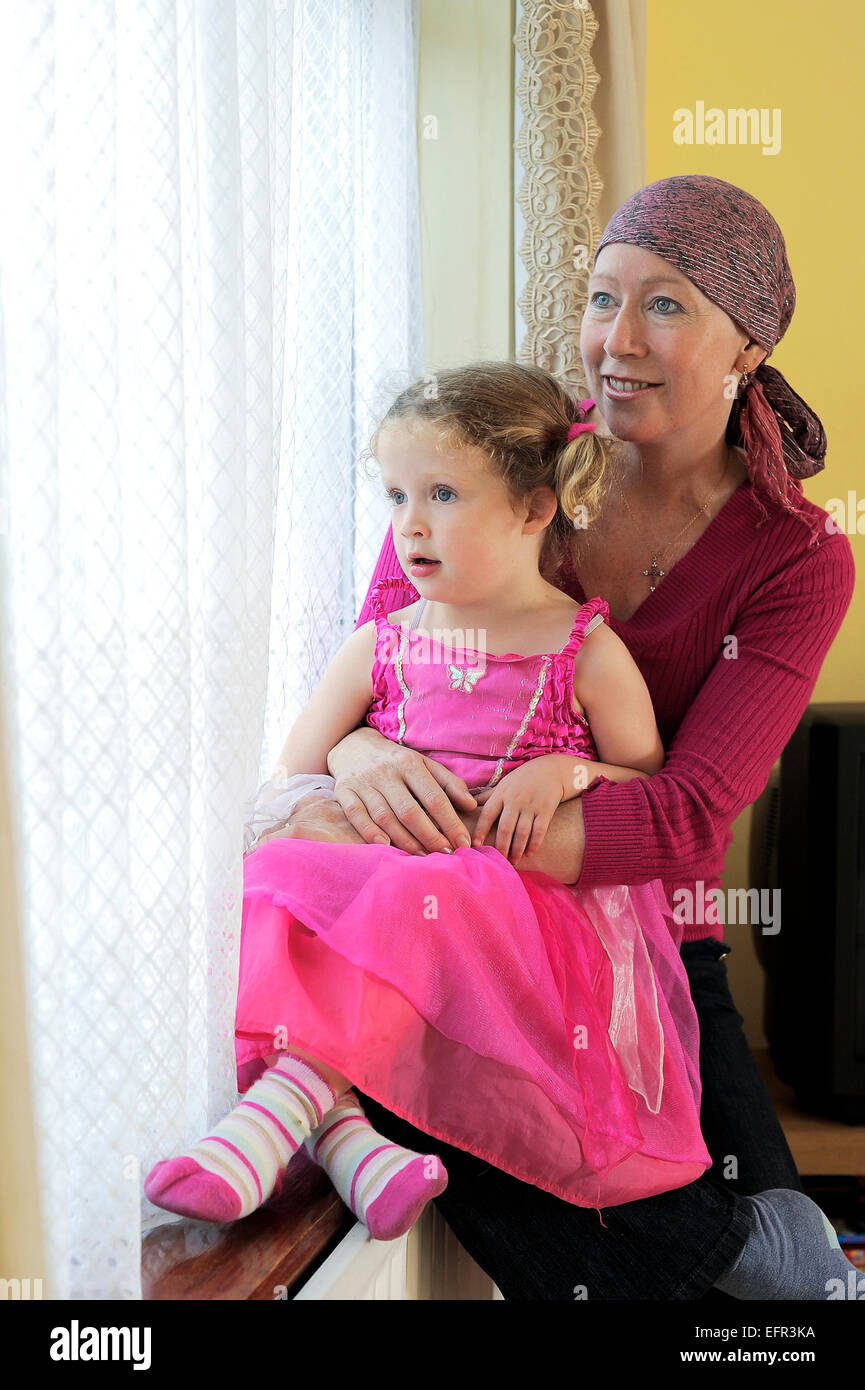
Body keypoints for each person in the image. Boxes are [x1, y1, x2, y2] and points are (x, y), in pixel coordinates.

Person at [257, 176, 857, 1300]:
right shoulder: (504, 458)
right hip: (435, 926)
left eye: (665, 306)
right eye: (599, 298)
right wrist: (356, 755)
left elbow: (685, 816)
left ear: (748, 346)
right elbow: (380, 659)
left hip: (647, 942)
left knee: (789, 1284)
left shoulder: (795, 555)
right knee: (575, 1227)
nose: (614, 342)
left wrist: (448, 825)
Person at [145, 357, 716, 1240]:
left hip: (511, 914)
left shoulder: (585, 650)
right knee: (275, 875)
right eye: (396, 497)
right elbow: (294, 775)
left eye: (442, 495)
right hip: (398, 886)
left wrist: (565, 772)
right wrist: (355, 743)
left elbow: (647, 783)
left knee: (430, 893)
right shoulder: (380, 643)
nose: (410, 526)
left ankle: (287, 1121)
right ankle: (349, 1146)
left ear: (534, 508)